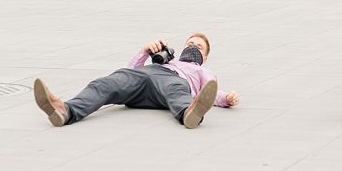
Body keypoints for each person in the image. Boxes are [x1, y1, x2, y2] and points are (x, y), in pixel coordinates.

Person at [33, 33, 240, 129]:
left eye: (199, 47)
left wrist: (226, 99)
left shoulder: (202, 70)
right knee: (105, 83)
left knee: (177, 92)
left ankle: (190, 114)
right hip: (144, 77)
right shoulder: (169, 58)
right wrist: (145, 51)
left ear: (206, 56)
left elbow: (210, 91)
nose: (193, 47)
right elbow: (130, 71)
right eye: (190, 43)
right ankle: (64, 111)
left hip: (174, 82)